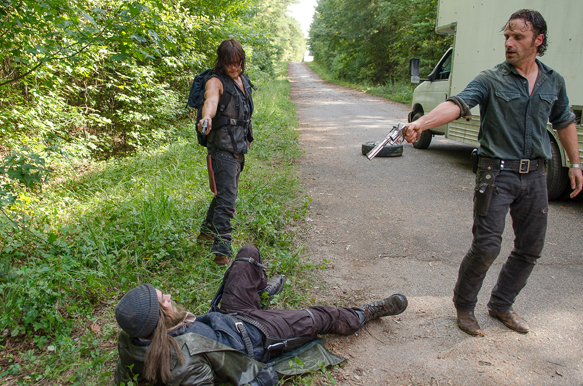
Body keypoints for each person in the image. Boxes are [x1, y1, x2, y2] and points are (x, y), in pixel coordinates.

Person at [404, 9, 582, 337]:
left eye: (518, 37)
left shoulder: (553, 81)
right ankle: (464, 305)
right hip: (496, 174)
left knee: (530, 247)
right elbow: (457, 105)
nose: (510, 43)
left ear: (538, 41)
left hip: (535, 177)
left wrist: (575, 163)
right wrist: (421, 122)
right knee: (486, 246)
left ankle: (501, 304)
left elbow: (564, 121)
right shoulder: (491, 79)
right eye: (507, 37)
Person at [114, 245, 408, 386]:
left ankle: (260, 293)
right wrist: (260, 381)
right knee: (321, 316)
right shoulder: (182, 366)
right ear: (157, 323)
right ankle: (365, 313)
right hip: (254, 335)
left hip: (225, 317)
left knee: (247, 255)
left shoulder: (133, 339)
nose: (168, 295)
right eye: (162, 301)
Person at [196, 39, 256, 265]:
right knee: (227, 201)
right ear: (222, 62)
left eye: (238, 62)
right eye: (229, 63)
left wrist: (247, 137)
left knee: (223, 194)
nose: (234, 67)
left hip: (238, 148)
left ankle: (205, 233)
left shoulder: (242, 80)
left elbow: (244, 113)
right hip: (221, 150)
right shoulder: (215, 81)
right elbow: (211, 100)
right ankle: (221, 251)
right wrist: (207, 117)